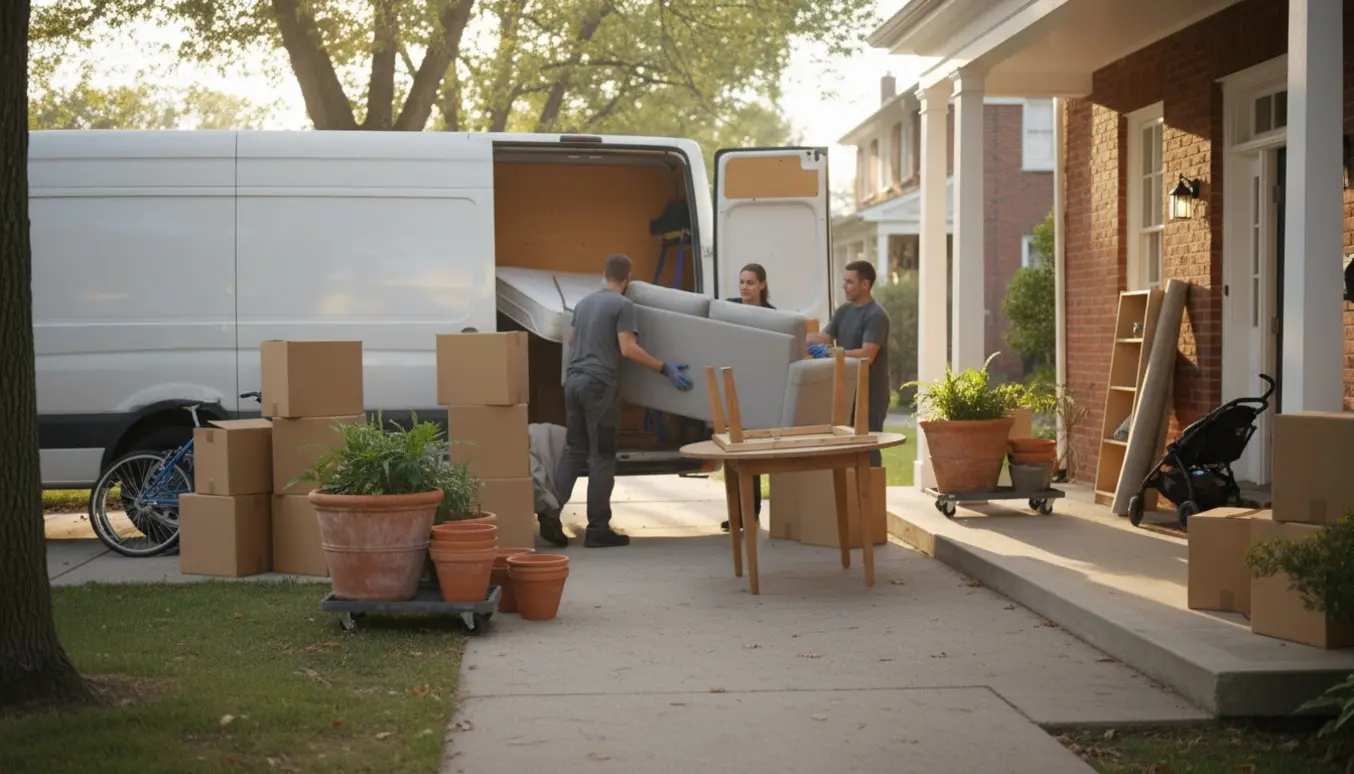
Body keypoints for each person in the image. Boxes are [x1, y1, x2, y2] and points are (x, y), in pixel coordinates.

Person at [545, 253, 694, 548]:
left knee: (575, 451)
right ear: (629, 279)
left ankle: (549, 512)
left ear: (604, 275)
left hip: (573, 383)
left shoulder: (583, 304)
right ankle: (598, 529)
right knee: (602, 456)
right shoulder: (623, 305)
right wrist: (664, 368)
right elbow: (628, 348)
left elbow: (571, 339)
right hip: (599, 387)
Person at [806, 260, 891, 466]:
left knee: (867, 446)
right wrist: (798, 337)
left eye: (849, 282)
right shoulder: (843, 311)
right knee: (845, 445)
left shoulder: (876, 316)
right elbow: (823, 337)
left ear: (865, 284)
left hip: (870, 393)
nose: (844, 286)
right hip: (846, 389)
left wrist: (832, 353)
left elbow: (867, 355)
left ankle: (870, 486)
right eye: (844, 281)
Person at [721, 263, 773, 533]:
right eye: (741, 282)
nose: (744, 287)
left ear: (762, 285)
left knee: (750, 455)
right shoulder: (729, 308)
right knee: (731, 455)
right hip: (732, 387)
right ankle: (735, 514)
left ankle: (750, 513)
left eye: (750, 282)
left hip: (757, 391)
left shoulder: (772, 316)